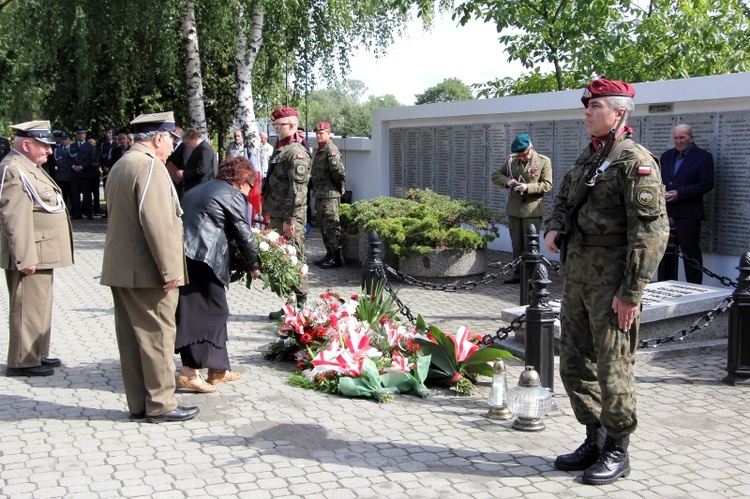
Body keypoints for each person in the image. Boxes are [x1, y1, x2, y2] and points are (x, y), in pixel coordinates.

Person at [543, 79, 669, 485]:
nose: (587, 113)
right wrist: (553, 226)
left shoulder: (635, 162)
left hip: (613, 282)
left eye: (594, 107)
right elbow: (563, 199)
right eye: (587, 107)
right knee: (575, 364)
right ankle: (593, 438)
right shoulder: (591, 157)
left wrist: (631, 293)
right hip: (578, 276)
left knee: (614, 368)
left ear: (619, 113)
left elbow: (651, 232)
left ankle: (618, 448)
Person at [100, 111, 198, 423]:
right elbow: (157, 225)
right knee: (157, 337)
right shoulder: (150, 166)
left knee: (131, 340)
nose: (172, 148)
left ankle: (140, 404)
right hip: (148, 271)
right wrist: (171, 271)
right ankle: (161, 404)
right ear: (158, 138)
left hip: (123, 268)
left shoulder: (123, 163)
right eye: (171, 140)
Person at [175, 156, 261, 392]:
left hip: (182, 255)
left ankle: (218, 369)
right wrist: (254, 264)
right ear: (242, 180)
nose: (249, 191)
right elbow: (243, 232)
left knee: (208, 310)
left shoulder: (200, 188)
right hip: (202, 258)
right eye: (250, 185)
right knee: (206, 313)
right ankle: (189, 372)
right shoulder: (231, 194)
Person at [0, 121, 73, 376]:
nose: (49, 151)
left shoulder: (29, 167)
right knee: (26, 307)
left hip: (42, 251)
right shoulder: (14, 169)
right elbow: (14, 218)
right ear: (27, 144)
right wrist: (24, 257)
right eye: (44, 145)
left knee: (39, 305)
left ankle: (37, 353)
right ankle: (22, 361)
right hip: (31, 252)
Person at [263, 107, 311, 319]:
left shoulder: (296, 153)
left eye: (279, 125)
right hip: (279, 215)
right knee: (284, 260)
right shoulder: (281, 150)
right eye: (274, 125)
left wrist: (289, 220)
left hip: (290, 218)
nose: (276, 129)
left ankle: (301, 305)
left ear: (292, 126)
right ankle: (289, 304)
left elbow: (298, 191)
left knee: (294, 258)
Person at [491, 133, 552, 284]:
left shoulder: (543, 161)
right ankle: (518, 275)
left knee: (531, 245)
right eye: (519, 155)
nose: (522, 157)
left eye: (524, 154)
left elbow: (547, 184)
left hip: (532, 210)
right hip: (514, 209)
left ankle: (532, 276)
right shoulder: (511, 160)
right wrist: (509, 182)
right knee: (516, 244)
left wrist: (527, 187)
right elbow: (495, 175)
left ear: (531, 148)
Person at [660, 124, 714, 284]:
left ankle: (694, 287)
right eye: (676, 138)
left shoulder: (703, 157)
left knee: (690, 254)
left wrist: (680, 194)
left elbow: (706, 183)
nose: (678, 141)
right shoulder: (667, 156)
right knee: (664, 251)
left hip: (688, 212)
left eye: (682, 137)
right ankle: (665, 284)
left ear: (691, 138)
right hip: (665, 210)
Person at [311, 121, 346, 269]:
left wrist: (340, 188)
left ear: (328, 134)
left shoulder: (330, 149)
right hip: (320, 194)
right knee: (323, 226)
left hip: (330, 194)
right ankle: (329, 253)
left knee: (331, 225)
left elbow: (338, 172)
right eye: (317, 134)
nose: (319, 136)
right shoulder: (321, 150)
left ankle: (336, 257)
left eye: (322, 133)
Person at [69, 125, 98, 219]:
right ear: (76, 135)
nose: (80, 135)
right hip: (74, 174)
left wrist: (81, 166)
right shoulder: (72, 146)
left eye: (82, 133)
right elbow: (67, 159)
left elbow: (91, 159)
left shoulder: (90, 146)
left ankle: (89, 212)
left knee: (87, 194)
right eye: (78, 133)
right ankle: (77, 213)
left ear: (85, 134)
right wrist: (73, 166)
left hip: (85, 173)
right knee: (75, 194)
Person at [178, 128, 215, 192]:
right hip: (197, 187)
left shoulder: (205, 149)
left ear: (194, 139)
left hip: (201, 187)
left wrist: (184, 173)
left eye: (189, 143)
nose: (189, 145)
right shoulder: (199, 148)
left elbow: (201, 170)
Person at [166, 126, 192, 198]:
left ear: (180, 134)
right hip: (173, 177)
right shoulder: (174, 145)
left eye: (176, 133)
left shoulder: (185, 146)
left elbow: (185, 162)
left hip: (180, 179)